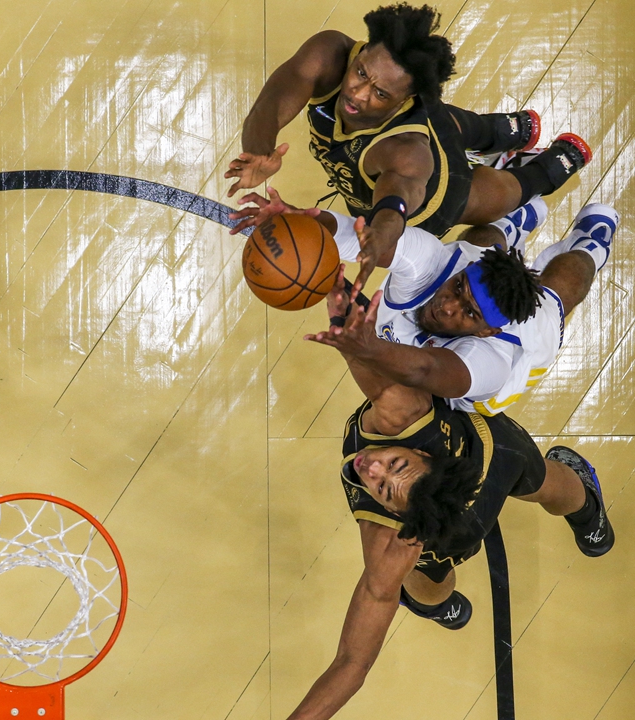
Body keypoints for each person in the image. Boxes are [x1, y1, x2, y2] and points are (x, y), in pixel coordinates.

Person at [281, 283, 613, 719]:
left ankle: (440, 607)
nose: (372, 468)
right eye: (391, 472)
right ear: (420, 453)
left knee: (424, 578)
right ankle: (590, 518)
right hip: (489, 474)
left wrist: (334, 290)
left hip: (485, 474)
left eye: (386, 481)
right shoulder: (402, 414)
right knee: (547, 483)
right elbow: (360, 346)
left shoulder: (390, 545)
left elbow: (353, 664)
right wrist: (339, 305)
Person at [224, 3, 592, 290]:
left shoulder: (405, 150)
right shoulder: (330, 53)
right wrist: (258, 149)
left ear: (406, 100)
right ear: (362, 51)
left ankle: (544, 171)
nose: (358, 93)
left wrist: (378, 239)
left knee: (501, 194)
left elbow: (393, 205)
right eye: (362, 73)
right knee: (457, 121)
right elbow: (272, 101)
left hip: (433, 199)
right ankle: (506, 130)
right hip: (400, 145)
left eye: (380, 93)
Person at [233, 187, 619, 416]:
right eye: (456, 289)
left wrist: (369, 349)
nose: (447, 305)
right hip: (474, 272)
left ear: (485, 329)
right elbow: (364, 239)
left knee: (559, 288)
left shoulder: (492, 360)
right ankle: (511, 225)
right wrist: (306, 222)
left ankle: (592, 244)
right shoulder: (435, 263)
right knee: (480, 243)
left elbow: (423, 371)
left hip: (511, 361)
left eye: (467, 312)